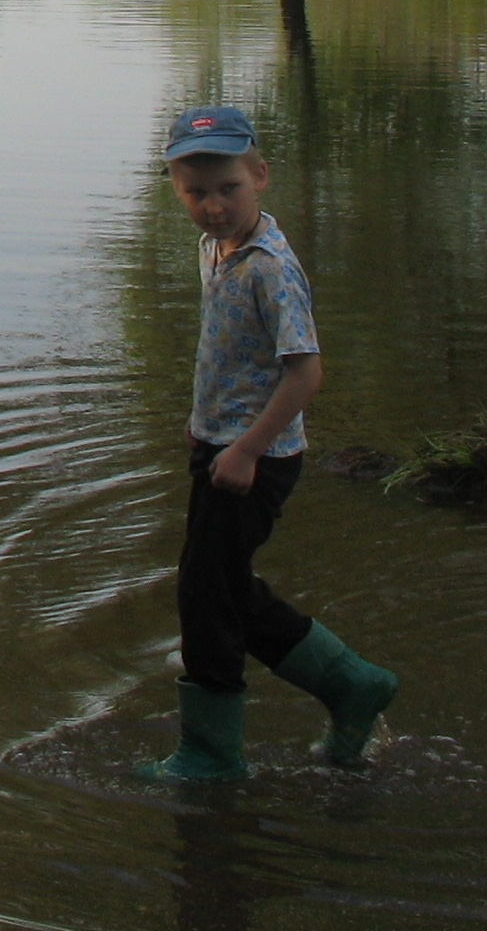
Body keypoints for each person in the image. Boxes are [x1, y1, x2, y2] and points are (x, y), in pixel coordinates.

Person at [143, 104, 399, 779]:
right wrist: (202, 421)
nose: (214, 206)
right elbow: (231, 351)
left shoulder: (270, 268)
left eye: (229, 188)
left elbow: (305, 373)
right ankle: (352, 684)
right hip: (220, 444)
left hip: (256, 457)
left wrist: (248, 449)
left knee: (206, 596)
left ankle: (211, 753)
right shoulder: (216, 248)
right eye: (196, 192)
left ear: (260, 176)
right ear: (176, 190)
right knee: (219, 585)